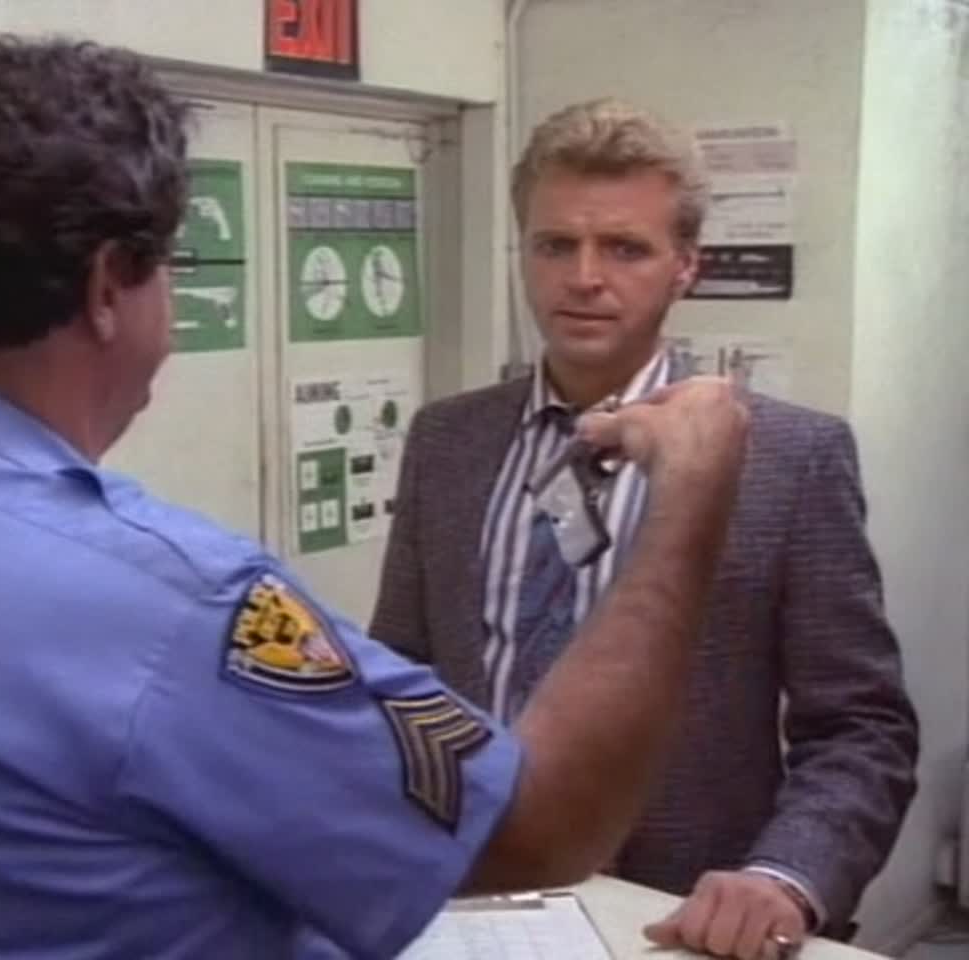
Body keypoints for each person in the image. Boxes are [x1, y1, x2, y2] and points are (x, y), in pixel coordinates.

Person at [0, 45, 747, 958]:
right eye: (170, 268)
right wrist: (689, 495)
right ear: (109, 286)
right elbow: (536, 826)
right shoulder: (169, 604)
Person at [370, 97, 919, 959]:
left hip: (682, 918)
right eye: (556, 245)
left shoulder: (789, 457)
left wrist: (783, 876)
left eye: (625, 248)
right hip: (468, 896)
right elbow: (399, 676)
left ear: (685, 266)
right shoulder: (448, 441)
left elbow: (861, 727)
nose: (584, 277)